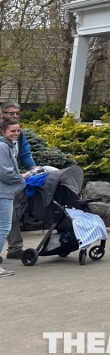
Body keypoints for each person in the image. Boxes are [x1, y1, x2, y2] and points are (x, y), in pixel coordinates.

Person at [1, 102, 34, 261]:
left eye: (17, 113)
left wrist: (34, 169)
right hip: (6, 179)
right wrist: (17, 178)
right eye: (11, 113)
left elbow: (25, 154)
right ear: (2, 114)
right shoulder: (3, 140)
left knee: (9, 217)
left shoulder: (17, 133)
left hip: (9, 182)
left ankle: (15, 248)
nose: (14, 116)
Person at [0, 116, 28, 276]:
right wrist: (21, 179)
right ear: (3, 131)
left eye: (18, 130)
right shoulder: (3, 147)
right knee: (3, 228)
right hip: (3, 193)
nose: (16, 133)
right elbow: (5, 172)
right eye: (12, 131)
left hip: (4, 191)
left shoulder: (7, 145)